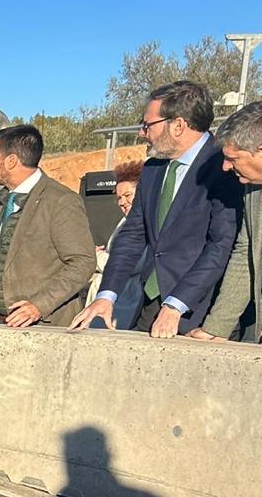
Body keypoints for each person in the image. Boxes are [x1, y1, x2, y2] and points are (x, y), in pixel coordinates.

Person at [70, 80, 243, 339]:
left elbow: (222, 245)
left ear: (178, 125)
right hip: (150, 307)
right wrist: (106, 295)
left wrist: (176, 305)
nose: (143, 133)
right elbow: (133, 234)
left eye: (148, 125)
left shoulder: (226, 167)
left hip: (200, 314)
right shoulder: (153, 169)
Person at [0, 125, 96, 327]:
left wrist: (39, 305)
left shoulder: (61, 201)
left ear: (11, 161)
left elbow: (83, 262)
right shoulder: (1, 201)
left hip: (43, 329)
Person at [202, 101, 262, 342]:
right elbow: (246, 254)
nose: (225, 166)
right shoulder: (253, 189)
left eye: (233, 158)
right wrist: (216, 328)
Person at [85, 158, 142, 307]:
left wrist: (94, 255)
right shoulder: (124, 222)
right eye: (119, 198)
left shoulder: (146, 225)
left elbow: (125, 264)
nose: (122, 202)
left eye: (128, 195)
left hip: (126, 302)